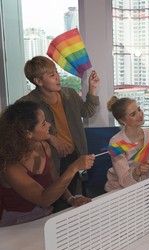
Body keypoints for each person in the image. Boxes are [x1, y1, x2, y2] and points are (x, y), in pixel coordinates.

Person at [18, 56, 100, 210]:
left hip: (75, 155)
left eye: (56, 72)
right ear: (38, 81)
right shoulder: (27, 105)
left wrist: (93, 89)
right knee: (54, 203)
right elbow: (22, 133)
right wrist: (51, 138)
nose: (57, 77)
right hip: (51, 160)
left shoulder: (69, 94)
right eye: (51, 75)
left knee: (74, 201)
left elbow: (88, 111)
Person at [0, 101, 95, 227]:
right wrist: (74, 168)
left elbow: (54, 181)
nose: (49, 125)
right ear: (27, 133)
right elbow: (44, 199)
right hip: (16, 223)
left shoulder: (44, 147)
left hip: (45, 215)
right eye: (44, 123)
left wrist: (71, 199)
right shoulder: (10, 166)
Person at [105, 96, 149, 192]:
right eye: (133, 114)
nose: (140, 114)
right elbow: (124, 181)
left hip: (144, 187)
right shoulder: (116, 142)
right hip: (120, 190)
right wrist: (137, 172)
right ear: (122, 121)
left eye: (139, 109)